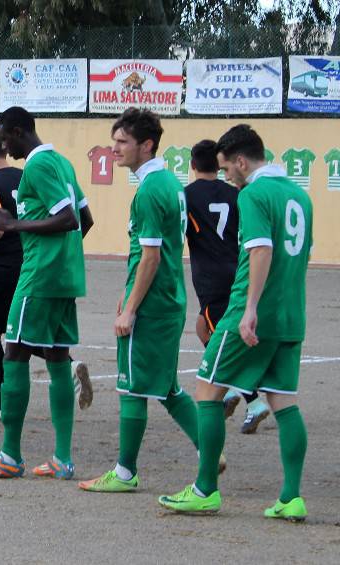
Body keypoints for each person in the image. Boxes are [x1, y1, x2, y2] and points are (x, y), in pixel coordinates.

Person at [159, 124, 313, 521]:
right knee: (283, 401)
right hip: (291, 315)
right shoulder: (300, 195)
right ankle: (291, 497)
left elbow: (261, 252)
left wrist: (249, 309)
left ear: (242, 161)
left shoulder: (255, 194)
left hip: (251, 312)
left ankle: (205, 490)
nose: (227, 176)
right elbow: (298, 256)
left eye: (228, 168)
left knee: (207, 393)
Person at [0, 106, 94, 480]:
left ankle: (9, 456)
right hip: (64, 275)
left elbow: (68, 218)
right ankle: (61, 459)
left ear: (19, 131)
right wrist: (62, 256)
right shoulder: (63, 163)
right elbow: (85, 220)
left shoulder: (38, 166)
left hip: (39, 276)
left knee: (15, 353)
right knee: (57, 360)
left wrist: (14, 224)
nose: (4, 145)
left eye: (5, 137)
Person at [78, 108, 201, 493]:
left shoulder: (150, 190)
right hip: (168, 298)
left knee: (131, 387)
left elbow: (151, 256)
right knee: (165, 388)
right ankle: (210, 450)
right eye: (114, 141)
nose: (114, 149)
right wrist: (126, 294)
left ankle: (125, 472)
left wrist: (131, 308)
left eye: (122, 142)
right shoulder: (168, 183)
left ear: (146, 146)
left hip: (152, 305)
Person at [184, 140, 269, 433]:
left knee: (226, 341)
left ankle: (253, 400)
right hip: (236, 270)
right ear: (218, 166)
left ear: (193, 165)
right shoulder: (235, 193)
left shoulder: (187, 196)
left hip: (211, 277)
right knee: (203, 327)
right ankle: (233, 389)